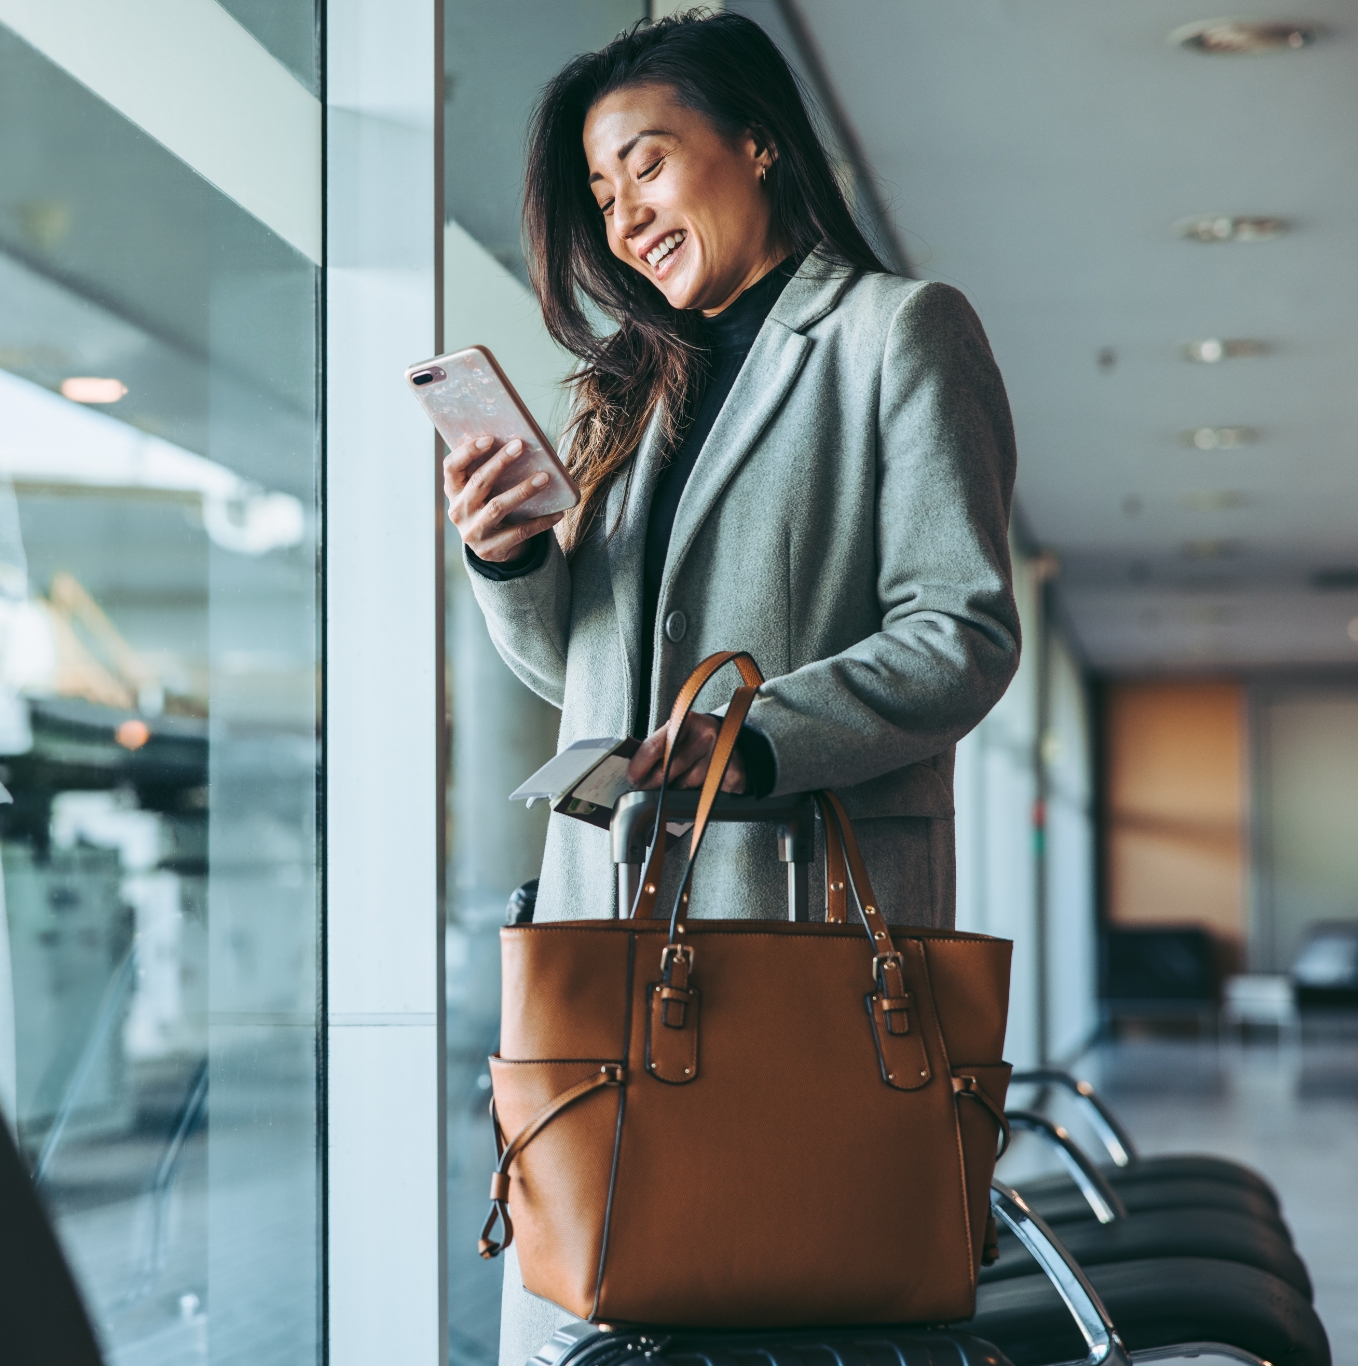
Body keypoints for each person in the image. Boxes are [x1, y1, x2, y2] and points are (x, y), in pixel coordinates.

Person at [443, 13, 1020, 1361]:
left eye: (645, 164)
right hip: (608, 922)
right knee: (590, 1293)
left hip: (792, 931)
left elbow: (962, 628)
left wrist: (745, 744)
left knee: (773, 1279)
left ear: (756, 143)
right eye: (600, 193)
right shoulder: (639, 390)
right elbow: (578, 681)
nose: (624, 214)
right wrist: (508, 549)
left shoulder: (897, 334)